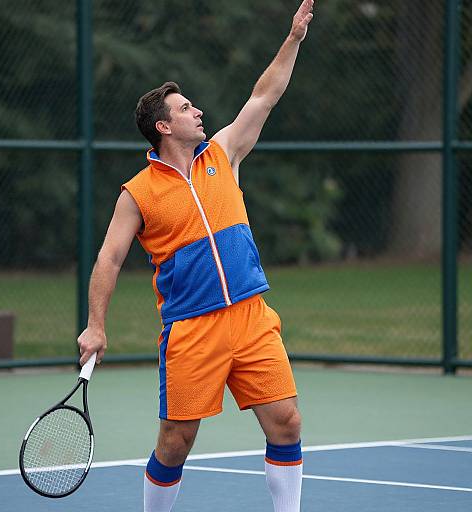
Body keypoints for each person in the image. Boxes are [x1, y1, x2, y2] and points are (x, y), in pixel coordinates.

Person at [78, 1, 315, 510]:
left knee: (286, 421)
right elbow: (108, 260)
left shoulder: (223, 154)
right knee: (176, 441)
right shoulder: (137, 193)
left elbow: (265, 95)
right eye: (185, 109)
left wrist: (293, 39)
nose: (197, 111)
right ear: (163, 128)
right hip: (191, 328)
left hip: (252, 315)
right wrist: (96, 325)